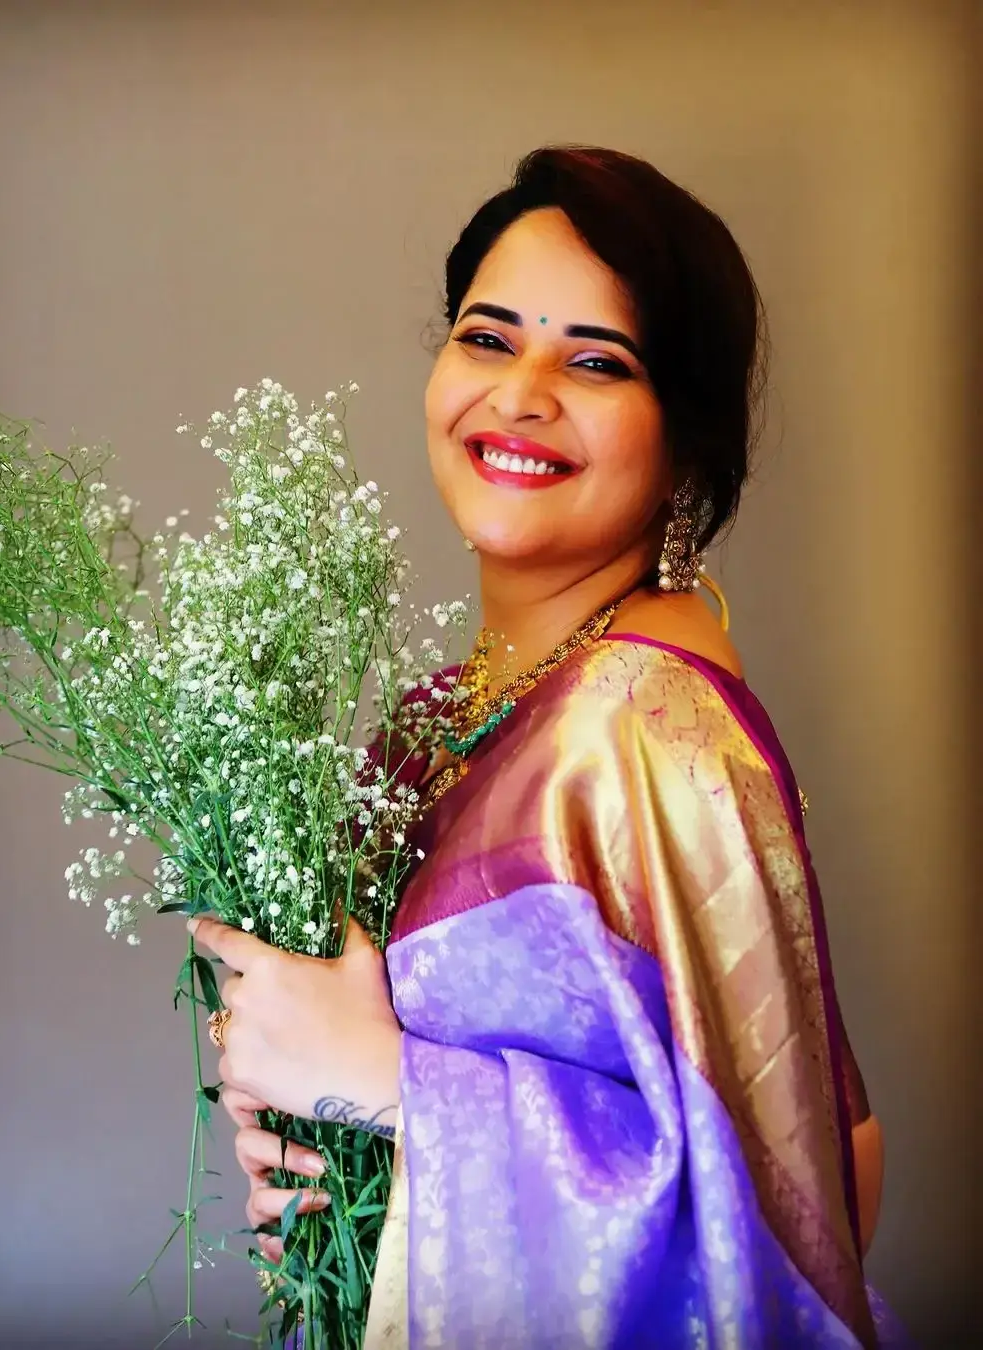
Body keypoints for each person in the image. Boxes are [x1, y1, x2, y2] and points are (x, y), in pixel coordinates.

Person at [190, 147, 902, 1348]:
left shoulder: (648, 728)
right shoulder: (432, 720)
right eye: (486, 337)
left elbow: (819, 1198)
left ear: (685, 450)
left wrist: (383, 1084)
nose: (520, 393)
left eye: (596, 361)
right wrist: (310, 1145)